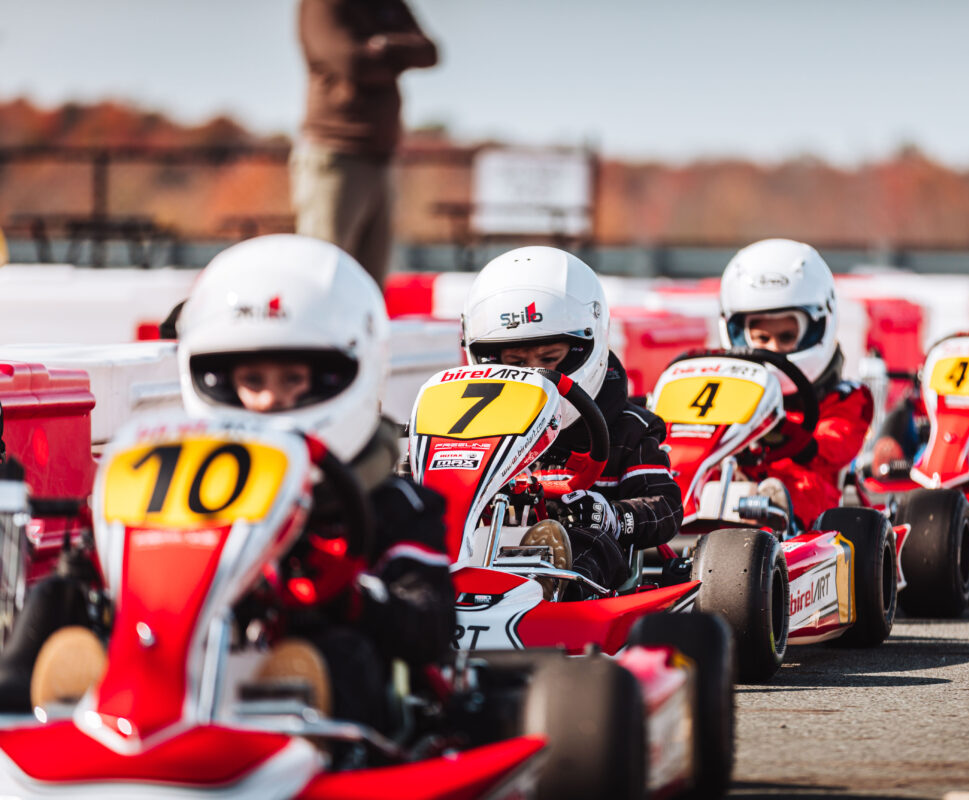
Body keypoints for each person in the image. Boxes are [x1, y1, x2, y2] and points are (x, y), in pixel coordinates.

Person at [0, 236, 455, 730]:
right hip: (164, 661)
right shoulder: (181, 479)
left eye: (292, 379)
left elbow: (429, 628)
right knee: (57, 595)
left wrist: (349, 595)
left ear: (342, 374)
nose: (267, 401)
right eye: (252, 380)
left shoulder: (391, 500)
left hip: (316, 695)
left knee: (338, 655)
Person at [460, 246, 683, 595]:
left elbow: (665, 508)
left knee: (582, 540)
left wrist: (610, 515)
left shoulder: (628, 428)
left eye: (549, 359)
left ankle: (551, 589)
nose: (534, 376)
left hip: (588, 569)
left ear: (585, 347)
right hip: (484, 554)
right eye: (516, 364)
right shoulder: (476, 431)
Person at [718, 238, 874, 529]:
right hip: (734, 484)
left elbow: (838, 442)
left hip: (805, 494)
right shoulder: (726, 394)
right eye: (762, 339)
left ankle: (777, 514)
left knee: (799, 486)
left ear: (817, 328)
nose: (773, 350)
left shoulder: (847, 397)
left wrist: (790, 434)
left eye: (786, 337)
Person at [291, 0, 438, 288]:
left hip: (381, 158)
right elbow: (353, 62)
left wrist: (381, 46)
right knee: (322, 277)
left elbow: (429, 51)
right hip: (335, 157)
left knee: (370, 288)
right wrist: (397, 55)